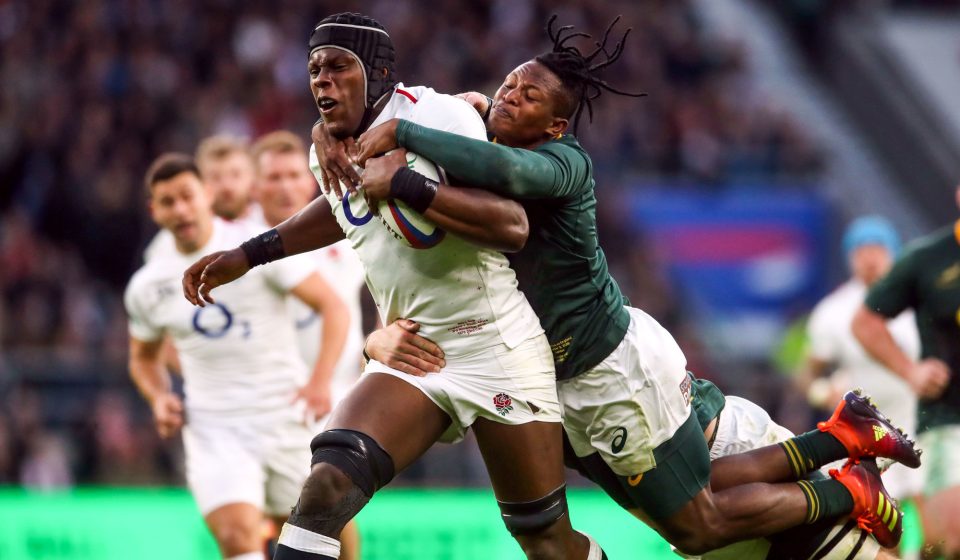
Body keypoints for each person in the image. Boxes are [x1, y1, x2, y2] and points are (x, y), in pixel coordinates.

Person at [318, 15, 920, 556]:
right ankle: (841, 436)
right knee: (673, 496)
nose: (509, 97)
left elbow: (501, 174)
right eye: (507, 85)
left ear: (554, 123)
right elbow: (402, 130)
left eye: (528, 97)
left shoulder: (560, 162)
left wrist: (404, 141)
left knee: (694, 525)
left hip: (604, 369)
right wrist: (340, 132)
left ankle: (848, 492)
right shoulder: (477, 134)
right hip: (548, 375)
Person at [183, 12, 605, 560]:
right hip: (412, 352)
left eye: (338, 67)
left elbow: (511, 225)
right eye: (314, 69)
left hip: (495, 344)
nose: (321, 81)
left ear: (378, 74)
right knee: (324, 490)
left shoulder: (442, 116)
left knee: (545, 540)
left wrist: (405, 182)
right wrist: (249, 253)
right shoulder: (327, 145)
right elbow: (343, 208)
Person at [125, 153, 349, 560]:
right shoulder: (147, 285)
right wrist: (159, 397)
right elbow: (143, 357)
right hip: (216, 428)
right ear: (154, 211)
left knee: (327, 532)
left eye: (186, 197)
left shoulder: (254, 247)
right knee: (235, 535)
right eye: (168, 202)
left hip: (285, 414)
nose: (180, 209)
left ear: (206, 195)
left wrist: (320, 382)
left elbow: (333, 306)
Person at [250, 130, 367, 558]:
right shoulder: (240, 252)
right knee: (274, 515)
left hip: (337, 397)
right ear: (254, 186)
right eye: (272, 176)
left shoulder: (348, 239)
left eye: (292, 175)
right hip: (272, 400)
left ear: (309, 181)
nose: (283, 185)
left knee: (333, 508)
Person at [852, 185, 960, 559]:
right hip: (942, 421)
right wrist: (912, 372)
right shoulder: (929, 260)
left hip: (909, 427)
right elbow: (865, 323)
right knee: (947, 541)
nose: (870, 258)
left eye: (876, 248)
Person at [800, 216, 922, 505]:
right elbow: (807, 373)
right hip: (865, 430)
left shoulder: (917, 299)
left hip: (921, 420)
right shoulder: (833, 311)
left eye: (877, 248)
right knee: (876, 512)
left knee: (933, 516)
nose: (869, 257)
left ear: (893, 252)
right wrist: (820, 391)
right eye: (860, 249)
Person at [144, 135, 261, 262]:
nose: (227, 186)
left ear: (253, 177)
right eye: (215, 177)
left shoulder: (272, 229)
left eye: (236, 175)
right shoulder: (163, 247)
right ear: (202, 185)